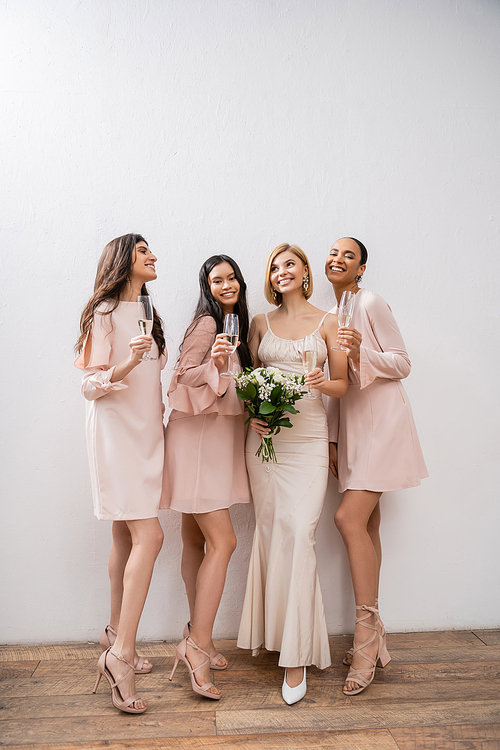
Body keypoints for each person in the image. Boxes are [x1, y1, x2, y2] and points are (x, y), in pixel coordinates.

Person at [237, 243, 348, 705]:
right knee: (271, 531)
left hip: (307, 440)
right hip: (266, 443)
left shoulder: (329, 321)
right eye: (274, 267)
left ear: (305, 272)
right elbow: (243, 382)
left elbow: (342, 382)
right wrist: (251, 414)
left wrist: (325, 383)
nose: (281, 271)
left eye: (290, 264)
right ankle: (273, 635)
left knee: (300, 534)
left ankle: (296, 655)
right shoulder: (259, 323)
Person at [325, 237, 428, 696]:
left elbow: (403, 363)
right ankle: (375, 631)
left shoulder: (369, 302)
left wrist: (361, 352)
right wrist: (331, 438)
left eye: (349, 255)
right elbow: (335, 381)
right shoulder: (331, 315)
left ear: (362, 268)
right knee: (368, 526)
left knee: (348, 517)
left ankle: (365, 634)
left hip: (382, 425)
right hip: (352, 430)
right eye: (332, 252)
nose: (337, 259)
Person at [75, 234, 166, 714]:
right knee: (150, 537)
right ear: (122, 260)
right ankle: (121, 655)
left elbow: (154, 382)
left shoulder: (150, 310)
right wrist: (128, 361)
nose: (154, 256)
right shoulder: (105, 312)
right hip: (116, 436)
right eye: (144, 251)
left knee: (126, 538)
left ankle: (115, 632)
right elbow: (90, 385)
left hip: (149, 433)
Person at [161, 255, 252, 700]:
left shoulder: (239, 326)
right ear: (207, 287)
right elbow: (181, 374)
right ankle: (195, 646)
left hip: (212, 438)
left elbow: (237, 386)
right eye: (217, 279)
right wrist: (215, 361)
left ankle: (201, 635)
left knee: (197, 541)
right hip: (196, 440)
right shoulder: (207, 325)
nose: (226, 283)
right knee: (224, 541)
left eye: (231, 276)